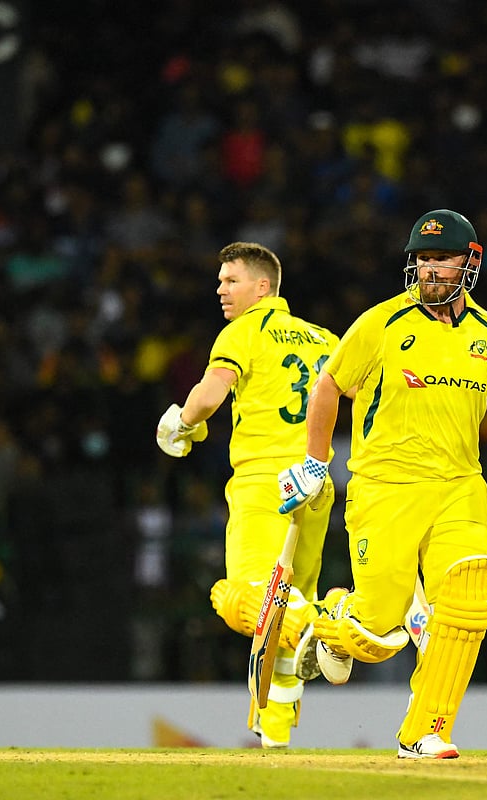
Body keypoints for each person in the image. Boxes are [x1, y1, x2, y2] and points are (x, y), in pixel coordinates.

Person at [277, 209, 487, 759]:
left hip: (460, 485)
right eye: (422, 260)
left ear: (470, 263)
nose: (430, 270)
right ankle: (329, 623)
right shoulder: (380, 324)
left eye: (441, 259)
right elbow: (327, 388)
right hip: (384, 487)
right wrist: (316, 464)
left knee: (468, 604)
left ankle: (425, 731)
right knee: (377, 632)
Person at [156, 241, 338, 748]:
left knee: (242, 596)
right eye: (219, 281)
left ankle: (326, 626)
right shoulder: (326, 338)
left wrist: (179, 423)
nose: (220, 289)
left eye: (231, 280)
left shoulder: (244, 331)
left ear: (263, 287)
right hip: (316, 484)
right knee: (283, 613)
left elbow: (212, 391)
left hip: (265, 486)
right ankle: (276, 738)